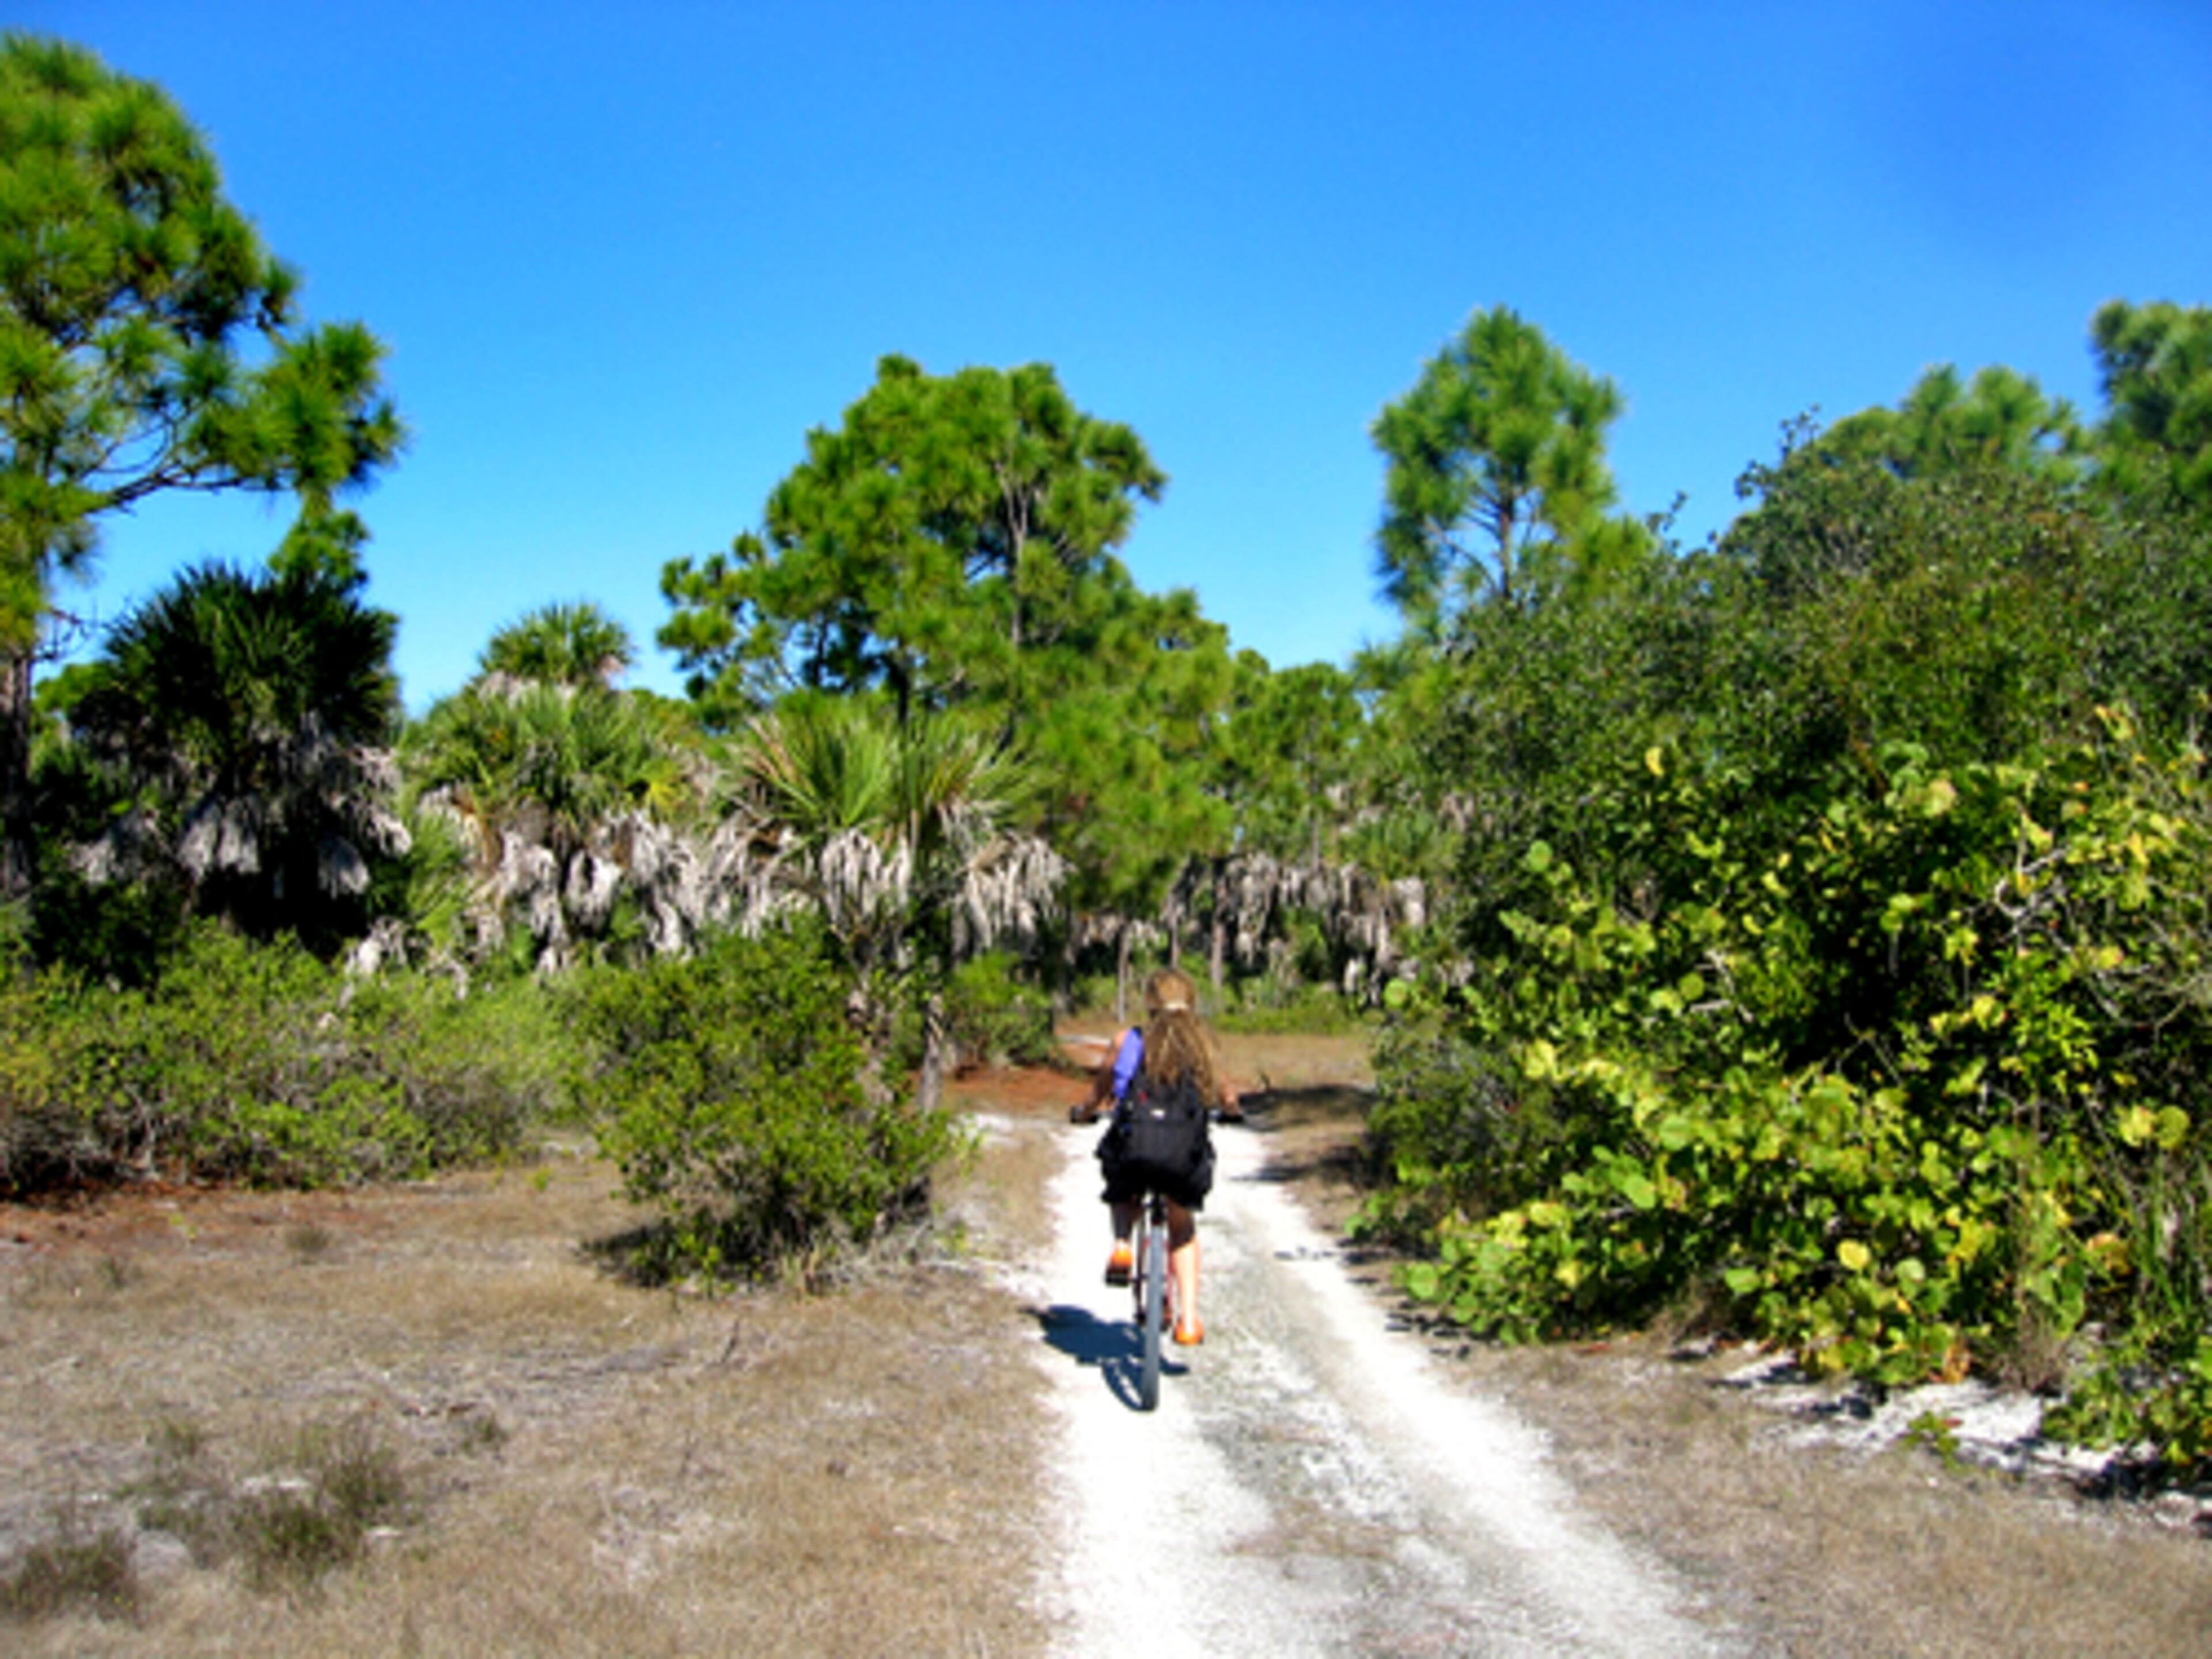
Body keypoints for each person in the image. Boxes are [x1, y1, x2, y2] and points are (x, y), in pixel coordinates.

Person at [1071, 968, 1239, 1346]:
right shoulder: (1202, 1044)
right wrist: (1232, 1112)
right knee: (1182, 1228)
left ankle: (1122, 1245)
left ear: (1150, 1002)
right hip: (1183, 1156)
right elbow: (1226, 1094)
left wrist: (1084, 1112)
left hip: (1135, 1149)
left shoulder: (1128, 1039)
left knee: (1124, 1189)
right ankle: (1189, 1320)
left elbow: (1100, 1088)